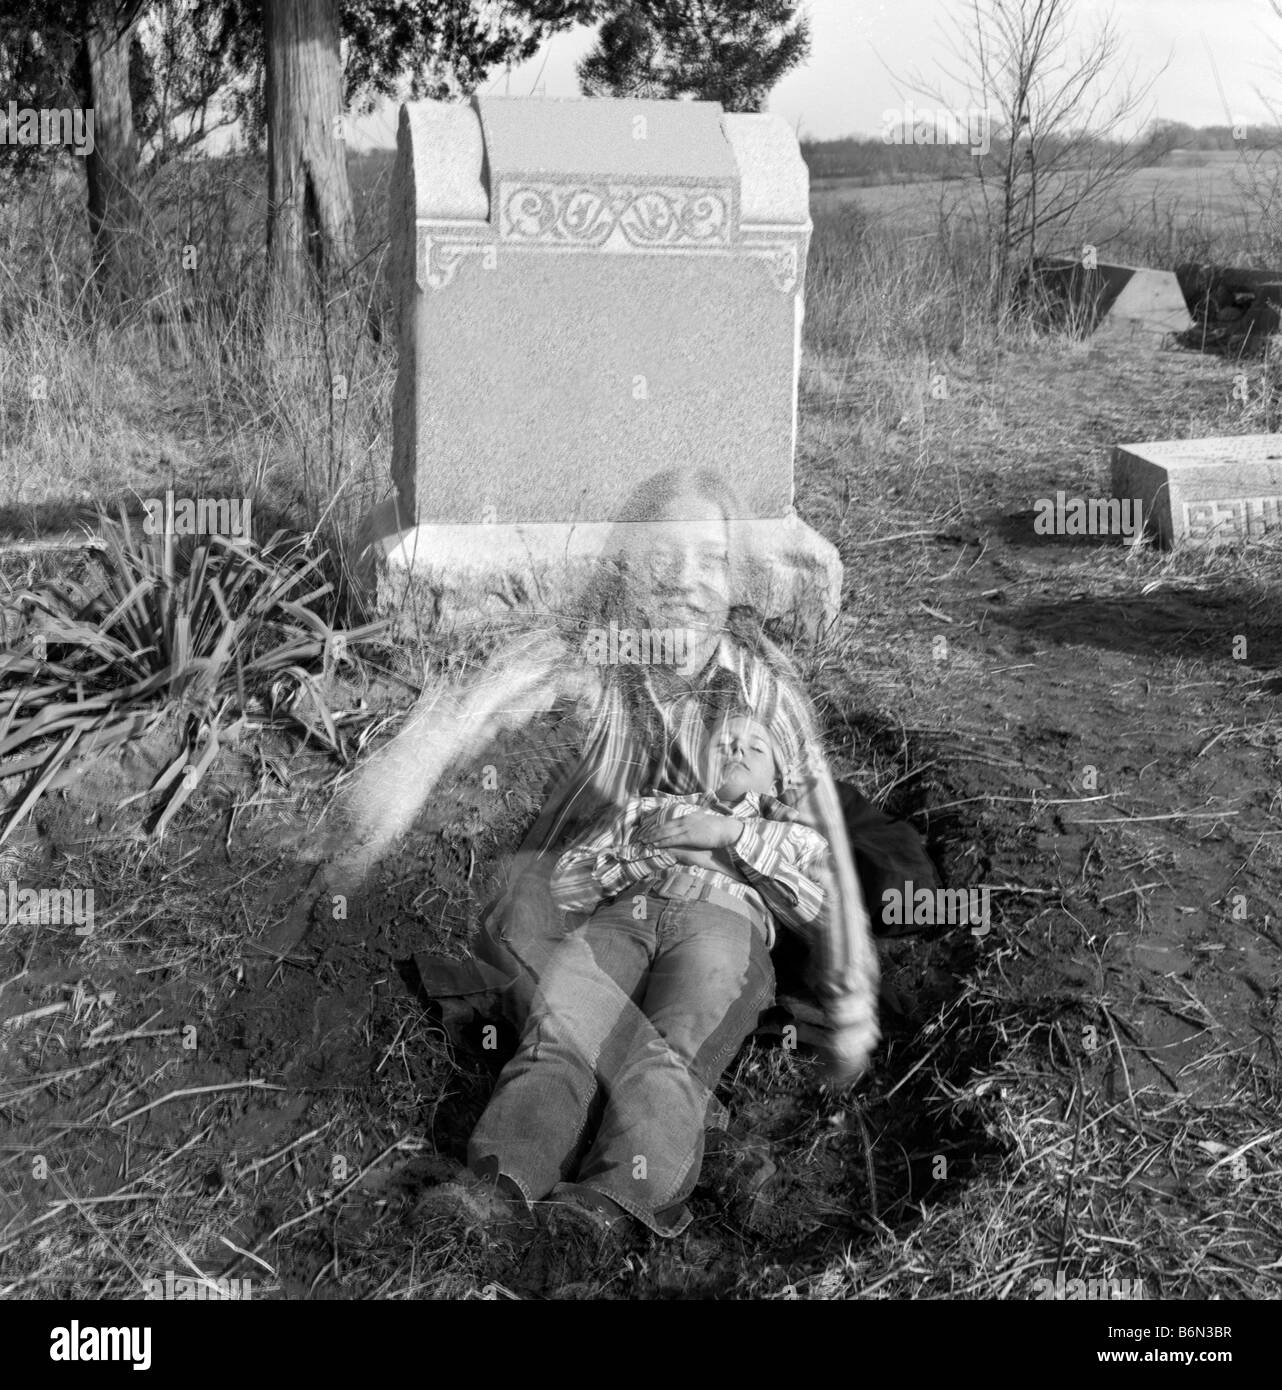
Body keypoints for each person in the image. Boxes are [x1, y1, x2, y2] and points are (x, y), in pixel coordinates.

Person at [292, 466, 880, 1085]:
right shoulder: (594, 651)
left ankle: (632, 1075)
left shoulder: (767, 694)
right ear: (626, 567)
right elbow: (457, 723)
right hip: (594, 896)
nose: (686, 584)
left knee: (706, 983)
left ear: (733, 579)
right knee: (518, 919)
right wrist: (353, 846)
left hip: (718, 915)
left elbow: (826, 862)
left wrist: (849, 1008)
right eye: (664, 558)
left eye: (711, 561)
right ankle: (632, 1080)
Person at [460, 710, 830, 1236]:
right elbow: (568, 883)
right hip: (622, 918)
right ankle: (498, 1192)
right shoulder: (646, 807)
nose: (738, 752)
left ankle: (602, 1214)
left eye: (757, 748)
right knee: (558, 1038)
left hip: (722, 925)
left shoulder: (795, 831)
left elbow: (817, 909)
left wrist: (727, 837)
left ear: (779, 776)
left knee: (671, 1053)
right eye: (724, 742)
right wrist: (656, 855)